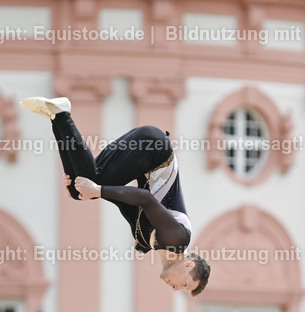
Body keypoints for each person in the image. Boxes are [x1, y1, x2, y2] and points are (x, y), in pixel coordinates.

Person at [21, 95, 210, 296]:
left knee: (80, 190)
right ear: (188, 265)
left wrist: (87, 191)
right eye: (186, 285)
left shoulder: (145, 243)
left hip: (147, 152)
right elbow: (145, 199)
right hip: (153, 148)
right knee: (91, 185)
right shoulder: (177, 239)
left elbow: (126, 202)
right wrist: (96, 190)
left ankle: (56, 116)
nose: (177, 288)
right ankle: (62, 114)